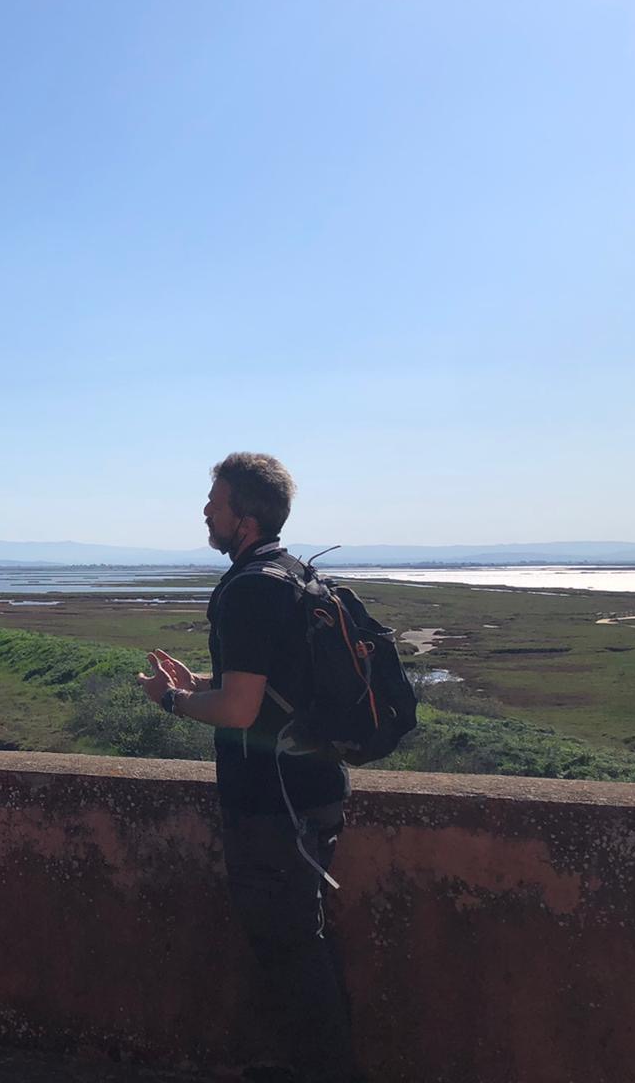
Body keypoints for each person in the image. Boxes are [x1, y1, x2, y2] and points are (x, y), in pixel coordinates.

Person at [138, 452, 357, 1083]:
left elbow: (238, 711)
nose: (206, 510)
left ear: (247, 517)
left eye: (217, 502)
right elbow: (263, 690)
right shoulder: (292, 575)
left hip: (273, 807)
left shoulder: (248, 590)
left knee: (289, 951)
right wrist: (203, 679)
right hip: (315, 790)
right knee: (302, 942)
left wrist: (173, 700)